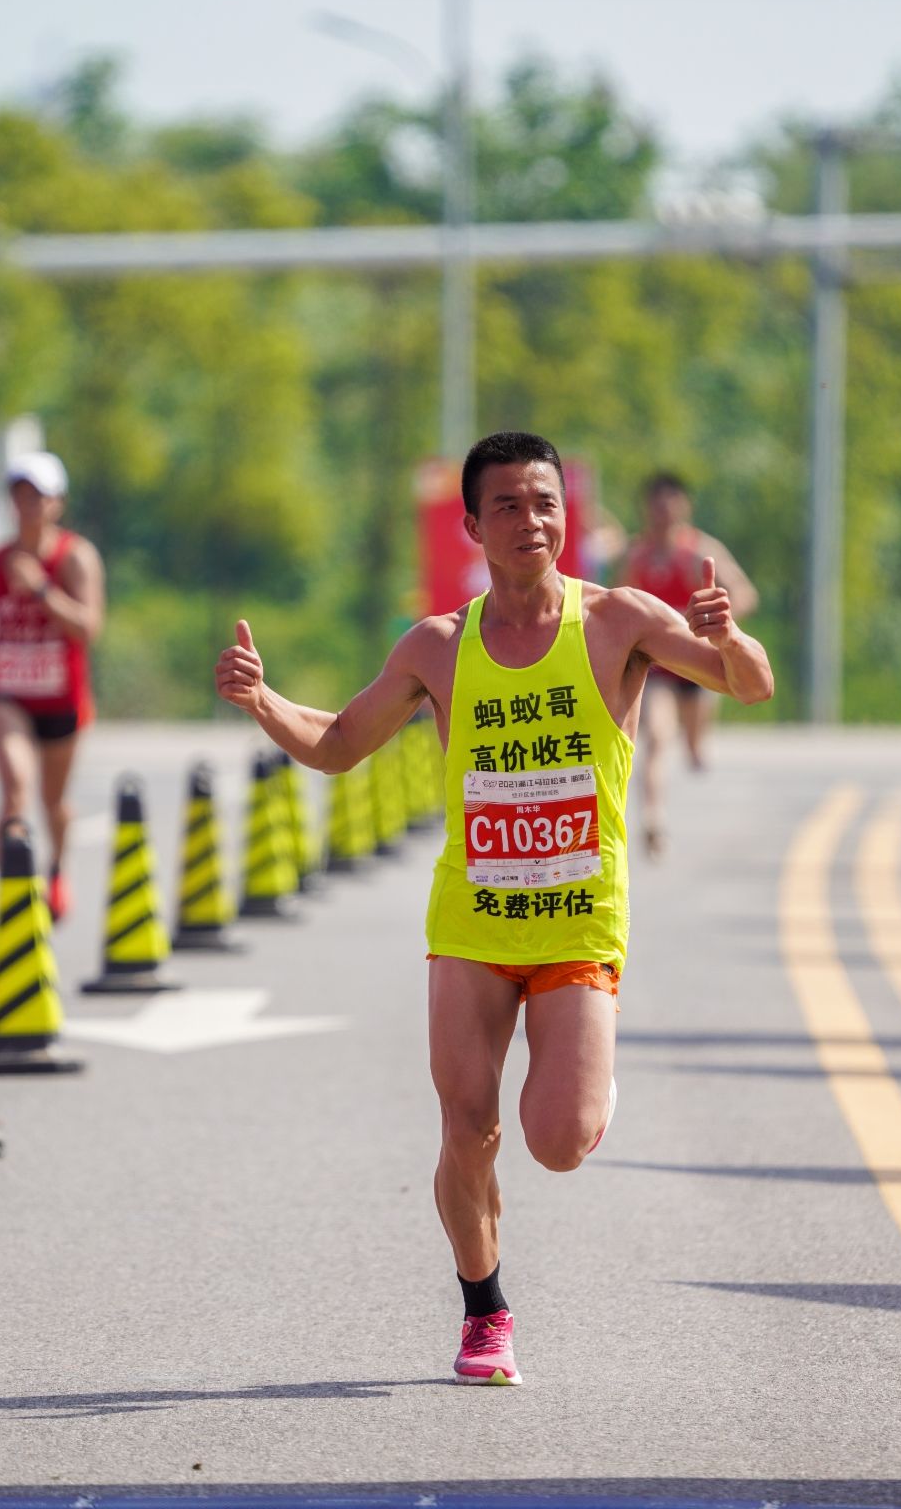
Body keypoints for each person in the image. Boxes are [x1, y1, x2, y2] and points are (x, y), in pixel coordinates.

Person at [215, 431, 773, 1386]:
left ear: (569, 517)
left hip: (578, 923)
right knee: (466, 1129)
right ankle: (484, 1310)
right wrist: (264, 701)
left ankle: (587, 1087)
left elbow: (749, 685)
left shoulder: (619, 621)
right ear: (473, 525)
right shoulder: (438, 646)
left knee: (557, 1141)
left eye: (546, 502)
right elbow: (340, 743)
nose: (531, 521)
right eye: (507, 505)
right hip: (471, 927)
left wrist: (727, 639)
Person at [0, 450, 104, 921]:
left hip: (61, 697)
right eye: (19, 496)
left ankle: (57, 870)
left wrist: (41, 590)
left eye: (38, 497)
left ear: (57, 503)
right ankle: (16, 886)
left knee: (53, 802)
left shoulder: (75, 557)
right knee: (16, 788)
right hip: (8, 692)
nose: (28, 506)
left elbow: (88, 627)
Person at [621, 472, 758, 859]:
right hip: (658, 665)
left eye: (671, 502)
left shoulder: (700, 552)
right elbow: (618, 607)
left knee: (695, 751)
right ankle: (653, 819)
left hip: (697, 662)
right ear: (646, 507)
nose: (663, 511)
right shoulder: (636, 556)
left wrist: (718, 620)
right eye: (656, 502)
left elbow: (745, 594)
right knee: (656, 737)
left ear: (684, 506)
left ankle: (697, 746)